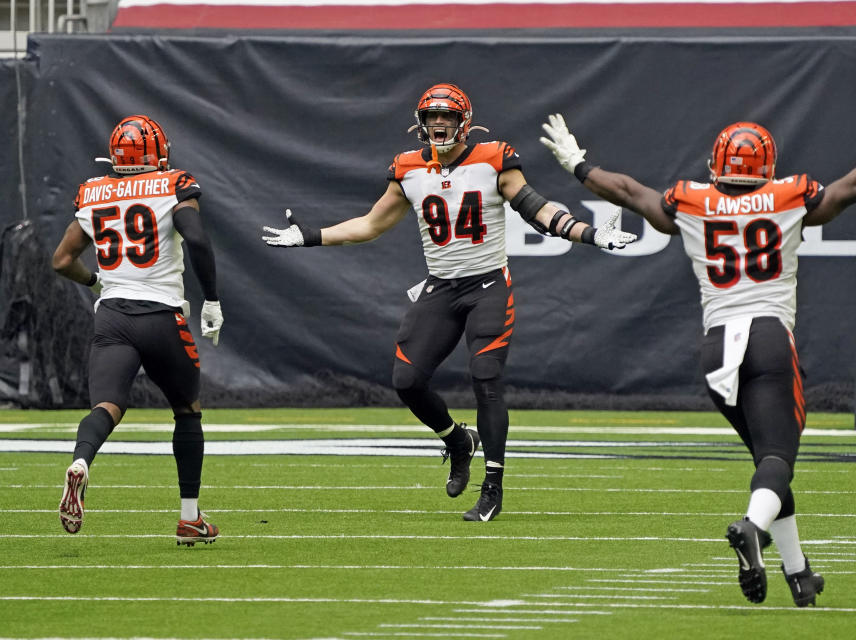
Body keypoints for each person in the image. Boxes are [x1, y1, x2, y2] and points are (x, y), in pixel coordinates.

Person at [539, 95, 856, 605]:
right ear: (768, 166)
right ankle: (752, 527)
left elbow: (626, 191)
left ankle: (799, 575)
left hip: (716, 349)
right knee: (778, 457)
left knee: (766, 462)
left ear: (716, 164)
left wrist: (578, 163)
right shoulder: (789, 196)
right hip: (769, 338)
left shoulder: (690, 200)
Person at [263, 83, 636, 522]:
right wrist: (310, 236)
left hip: (487, 286)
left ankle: (492, 486)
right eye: (432, 116)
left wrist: (591, 234)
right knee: (406, 380)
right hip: (440, 288)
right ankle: (458, 440)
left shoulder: (493, 158)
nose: (439, 124)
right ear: (420, 123)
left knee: (486, 377)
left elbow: (537, 210)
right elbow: (370, 225)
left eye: (448, 116)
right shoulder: (407, 169)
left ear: (466, 121)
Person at [52, 114, 225, 546]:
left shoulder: (93, 192)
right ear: (159, 152)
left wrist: (96, 281)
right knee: (188, 410)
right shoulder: (172, 183)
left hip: (111, 315)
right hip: (162, 314)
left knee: (106, 406)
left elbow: (62, 259)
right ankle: (190, 519)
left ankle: (81, 462)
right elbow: (198, 239)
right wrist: (213, 299)